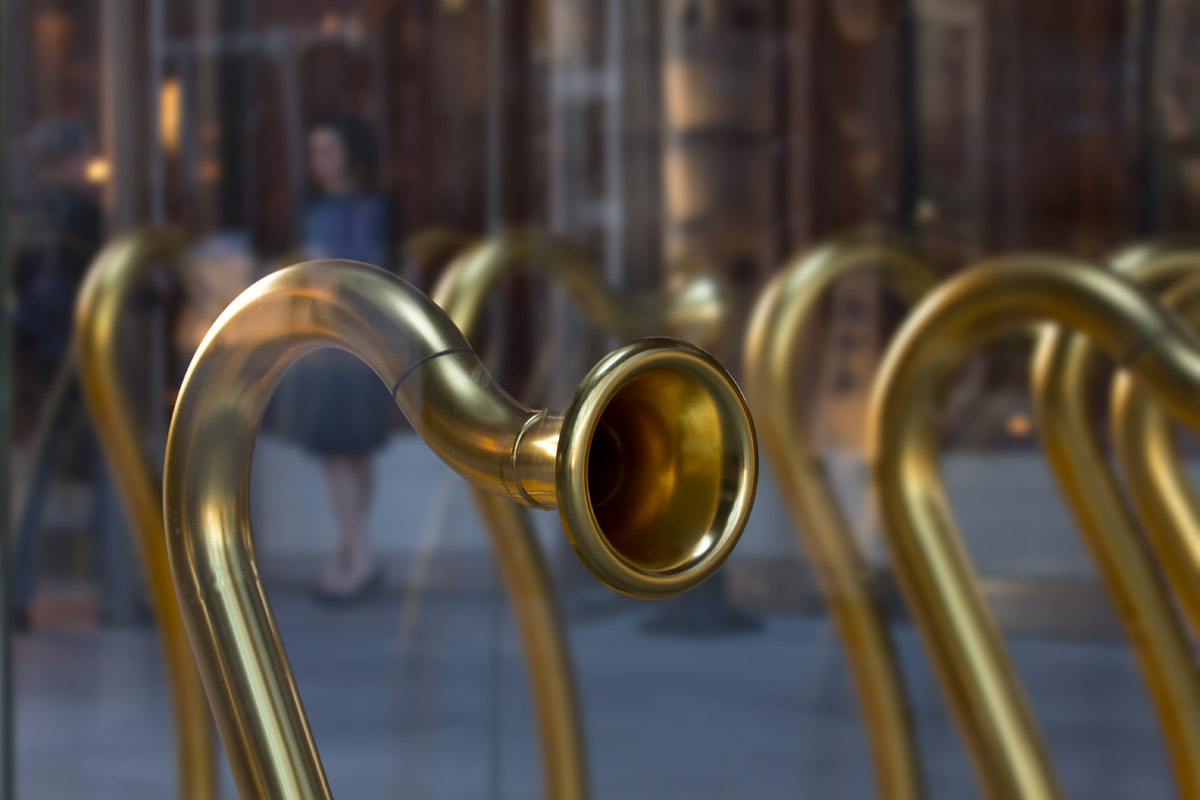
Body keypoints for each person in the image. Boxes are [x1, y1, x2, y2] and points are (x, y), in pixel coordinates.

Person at [291, 113, 397, 603]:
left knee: (353, 449)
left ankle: (356, 555)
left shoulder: (377, 207)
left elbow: (398, 271)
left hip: (365, 338)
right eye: (314, 150)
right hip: (326, 342)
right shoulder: (310, 207)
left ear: (350, 153)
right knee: (338, 449)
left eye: (328, 148)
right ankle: (354, 553)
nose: (319, 160)